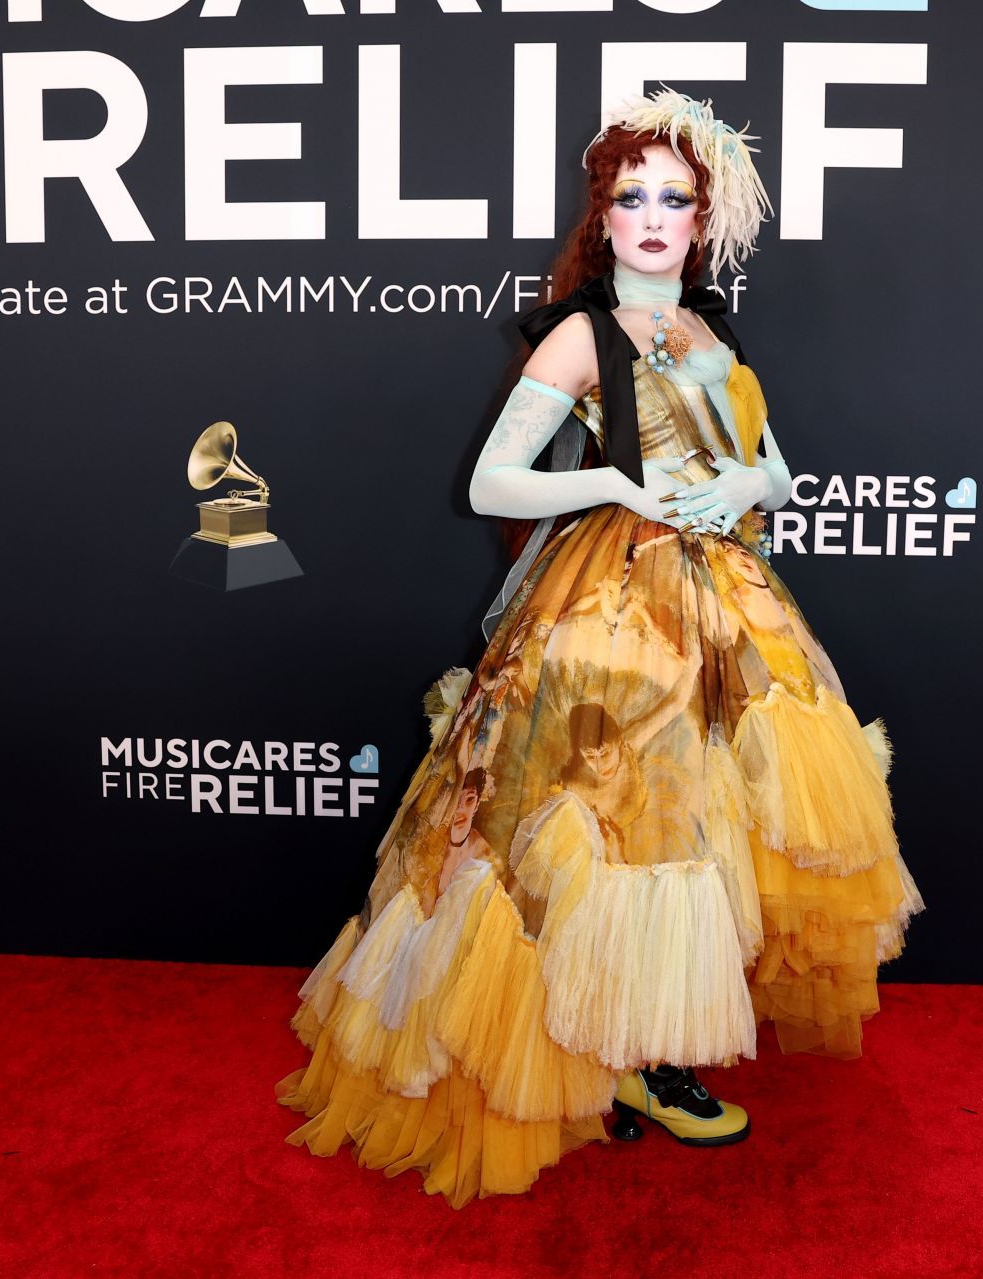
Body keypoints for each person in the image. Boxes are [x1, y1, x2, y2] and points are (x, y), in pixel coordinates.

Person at [275, 88, 924, 1208]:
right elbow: (492, 480)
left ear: (704, 216)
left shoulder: (710, 331)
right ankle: (611, 1058)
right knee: (616, 828)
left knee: (702, 827)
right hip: (610, 616)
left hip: (726, 604)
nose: (657, 217)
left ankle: (646, 1051)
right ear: (605, 219)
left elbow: (774, 463)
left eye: (679, 197)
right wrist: (619, 478)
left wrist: (745, 482)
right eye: (634, 198)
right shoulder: (582, 333)